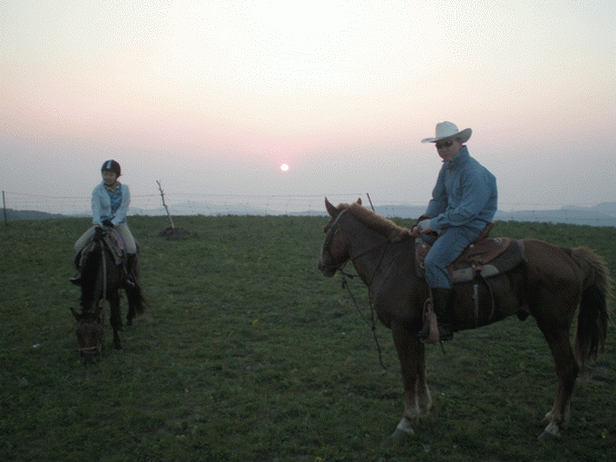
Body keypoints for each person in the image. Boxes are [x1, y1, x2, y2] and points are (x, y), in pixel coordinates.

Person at [414, 122, 497, 341]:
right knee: (415, 240)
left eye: (447, 143)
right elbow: (439, 199)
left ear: (461, 142)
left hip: (468, 226)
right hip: (451, 221)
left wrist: (435, 224)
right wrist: (426, 218)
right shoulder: (448, 167)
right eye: (439, 146)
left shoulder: (473, 173)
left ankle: (444, 323)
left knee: (434, 261)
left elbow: (466, 213)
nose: (443, 149)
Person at [70, 160, 137, 287]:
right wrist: (98, 225)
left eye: (110, 174)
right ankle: (82, 274)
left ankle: (127, 277)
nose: (107, 177)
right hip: (101, 224)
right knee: (78, 245)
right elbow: (95, 209)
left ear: (116, 176)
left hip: (119, 224)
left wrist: (114, 222)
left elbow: (123, 208)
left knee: (131, 248)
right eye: (105, 174)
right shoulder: (97, 190)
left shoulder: (124, 189)